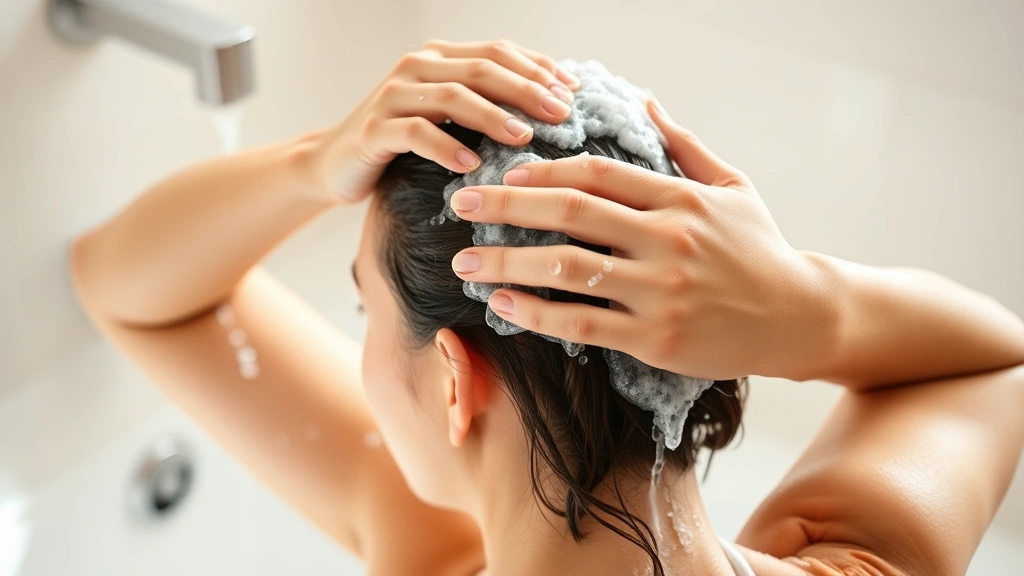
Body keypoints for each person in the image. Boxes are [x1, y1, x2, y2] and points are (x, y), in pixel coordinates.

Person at [67, 39, 1024, 576]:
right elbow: (994, 360)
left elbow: (131, 287)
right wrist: (804, 307)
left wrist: (318, 159)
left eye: (365, 315)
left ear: (454, 382)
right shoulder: (851, 564)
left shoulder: (429, 549)